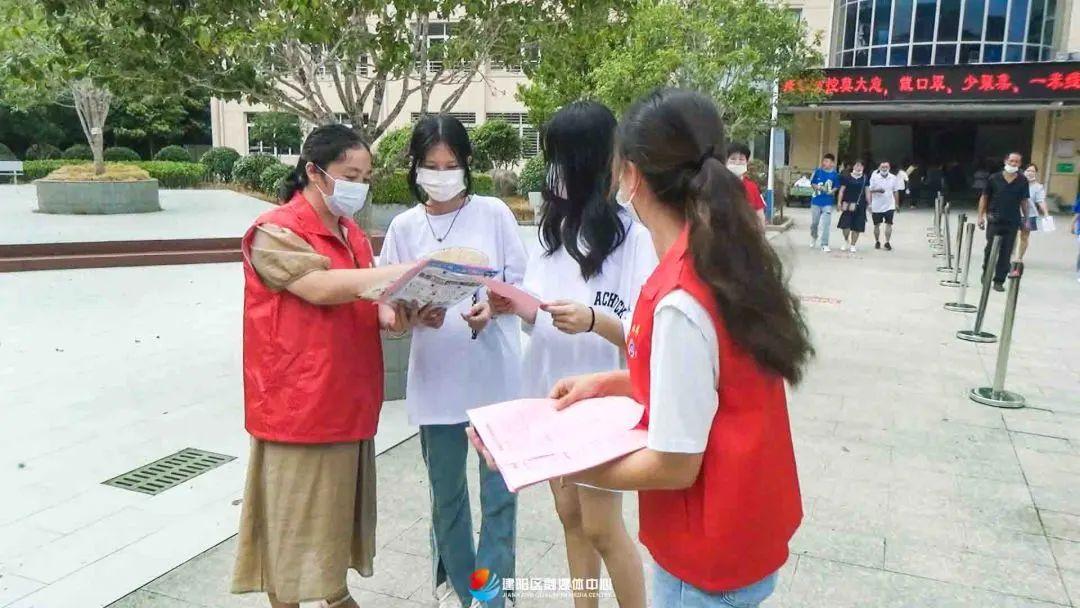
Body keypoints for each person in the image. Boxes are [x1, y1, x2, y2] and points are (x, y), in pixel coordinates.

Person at [475, 89, 812, 608]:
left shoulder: (680, 295)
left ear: (629, 176)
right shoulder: (719, 260)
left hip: (706, 552)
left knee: (602, 529)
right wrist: (608, 382)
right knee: (577, 524)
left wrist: (542, 457)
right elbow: (702, 382)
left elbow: (675, 464)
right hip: (739, 532)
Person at [231, 124, 412, 608]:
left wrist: (396, 310)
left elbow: (366, 299)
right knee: (291, 529)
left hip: (348, 400)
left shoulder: (351, 232)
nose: (360, 184)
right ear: (313, 172)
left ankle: (335, 595)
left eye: (366, 175)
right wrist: (403, 272)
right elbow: (320, 288)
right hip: (300, 408)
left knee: (335, 523)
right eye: (349, 174)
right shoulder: (275, 232)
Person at [491, 101, 657, 608]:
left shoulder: (635, 236)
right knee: (570, 516)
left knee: (604, 527)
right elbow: (539, 312)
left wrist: (591, 319)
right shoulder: (551, 232)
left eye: (562, 157)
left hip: (603, 398)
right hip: (550, 391)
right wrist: (513, 306)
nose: (553, 170)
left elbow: (641, 335)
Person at [379, 114, 526, 608]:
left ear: (467, 165)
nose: (442, 174)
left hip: (495, 379)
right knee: (448, 501)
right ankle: (468, 594)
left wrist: (495, 307)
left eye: (452, 164)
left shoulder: (495, 214)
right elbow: (390, 305)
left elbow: (519, 288)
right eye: (431, 165)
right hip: (436, 382)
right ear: (415, 168)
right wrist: (412, 315)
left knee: (500, 497)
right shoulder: (403, 227)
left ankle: (491, 596)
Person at [978, 152, 1029, 292]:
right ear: (1006, 161)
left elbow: (1024, 201)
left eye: (1017, 162)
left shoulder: (1022, 181)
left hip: (1012, 220)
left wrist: (1026, 218)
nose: (1013, 164)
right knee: (990, 249)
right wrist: (980, 216)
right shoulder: (994, 178)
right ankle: (986, 273)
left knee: (1006, 251)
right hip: (994, 218)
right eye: (1011, 161)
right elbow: (984, 197)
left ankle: (999, 280)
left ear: (1020, 164)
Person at [725, 142, 767, 229]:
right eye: (733, 159)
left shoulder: (752, 187)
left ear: (746, 162)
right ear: (725, 161)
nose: (737, 162)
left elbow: (760, 215)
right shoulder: (716, 184)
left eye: (741, 159)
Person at [836, 160, 869, 253]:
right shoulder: (847, 177)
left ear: (863, 168)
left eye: (861, 166)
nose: (859, 168)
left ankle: (853, 244)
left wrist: (869, 204)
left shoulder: (865, 178)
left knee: (857, 226)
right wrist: (839, 202)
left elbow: (867, 191)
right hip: (847, 203)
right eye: (857, 165)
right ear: (853, 166)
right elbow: (842, 190)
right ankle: (846, 240)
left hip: (860, 204)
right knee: (845, 225)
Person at [868, 160, 901, 251]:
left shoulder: (893, 178)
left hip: (889, 205)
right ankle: (877, 241)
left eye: (886, 167)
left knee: (889, 224)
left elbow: (896, 191)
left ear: (889, 168)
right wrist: (877, 191)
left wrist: (897, 204)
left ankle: (887, 242)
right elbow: (869, 190)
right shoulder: (874, 177)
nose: (884, 169)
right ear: (879, 168)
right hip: (877, 205)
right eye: (882, 167)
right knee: (876, 225)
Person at [1019, 164, 1049, 261]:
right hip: (1014, 213)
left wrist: (1046, 213)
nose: (1030, 173)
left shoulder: (1038, 187)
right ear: (1024, 171)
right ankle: (1009, 254)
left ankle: (1019, 258)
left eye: (1032, 171)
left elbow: (1041, 201)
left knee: (1024, 236)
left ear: (1035, 173)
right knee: (1012, 236)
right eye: (1028, 170)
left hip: (1030, 215)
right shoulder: (1017, 183)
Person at [810, 153, 839, 251]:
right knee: (815, 223)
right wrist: (818, 187)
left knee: (826, 223)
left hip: (828, 202)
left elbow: (836, 186)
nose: (825, 163)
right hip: (816, 201)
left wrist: (832, 191)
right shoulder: (818, 172)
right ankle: (814, 236)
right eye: (824, 161)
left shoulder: (835, 175)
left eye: (828, 161)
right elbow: (813, 183)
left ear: (832, 163)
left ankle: (824, 244)